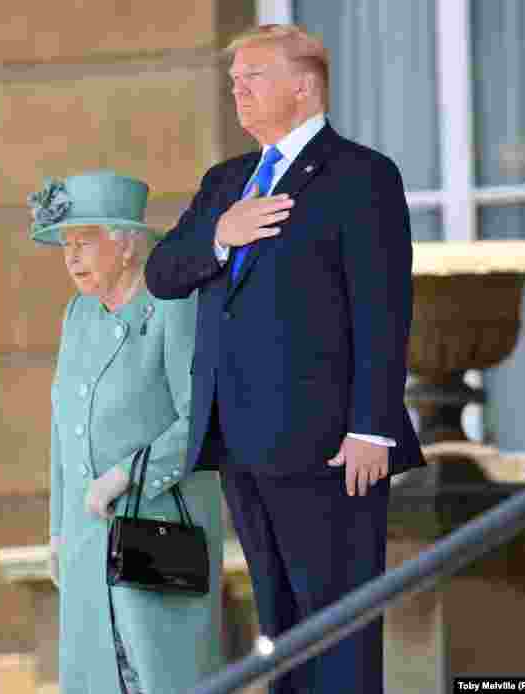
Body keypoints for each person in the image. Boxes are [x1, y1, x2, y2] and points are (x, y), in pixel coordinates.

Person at [145, 25, 424, 694]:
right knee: (283, 632)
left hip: (330, 446)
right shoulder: (226, 182)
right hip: (239, 442)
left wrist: (372, 427)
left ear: (302, 86)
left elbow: (382, 309)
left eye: (253, 77)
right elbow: (163, 273)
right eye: (233, 79)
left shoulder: (362, 176)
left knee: (341, 628)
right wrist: (220, 234)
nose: (237, 90)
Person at [33, 171, 225, 694]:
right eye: (66, 244)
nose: (71, 257)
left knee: (159, 675)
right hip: (87, 533)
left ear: (126, 244)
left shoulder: (174, 302)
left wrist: (126, 475)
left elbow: (203, 418)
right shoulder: (78, 314)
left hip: (159, 527)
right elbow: (63, 429)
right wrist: (58, 528)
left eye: (84, 241)